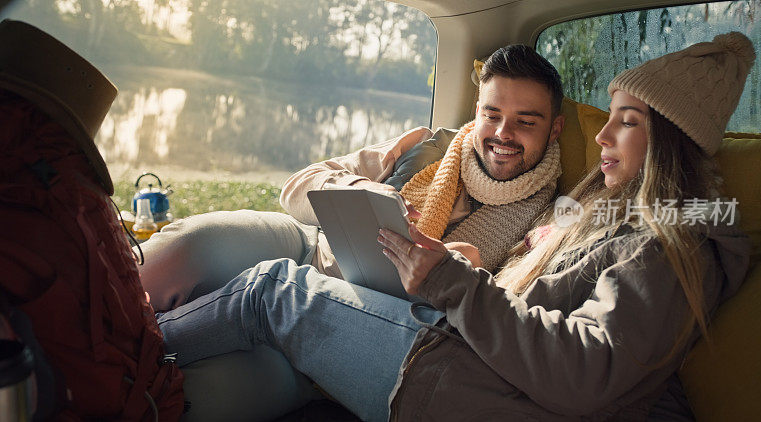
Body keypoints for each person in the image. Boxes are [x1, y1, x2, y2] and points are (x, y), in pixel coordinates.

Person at [158, 32, 754, 420]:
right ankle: (123, 346)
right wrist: (463, 277)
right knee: (226, 269)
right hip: (464, 350)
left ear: (668, 143)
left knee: (273, 291)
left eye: (625, 122)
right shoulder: (602, 215)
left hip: (459, 378)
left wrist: (456, 281)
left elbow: (591, 370)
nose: (598, 135)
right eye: (490, 114)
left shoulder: (676, 240)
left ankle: (108, 360)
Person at [139, 44, 565, 312]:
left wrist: (450, 269)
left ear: (555, 128)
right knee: (181, 249)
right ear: (477, 112)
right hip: (307, 243)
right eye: (492, 115)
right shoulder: (428, 145)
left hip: (361, 307)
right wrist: (370, 194)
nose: (503, 135)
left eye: (525, 122)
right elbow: (297, 187)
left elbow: (506, 305)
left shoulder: (547, 218)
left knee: (203, 377)